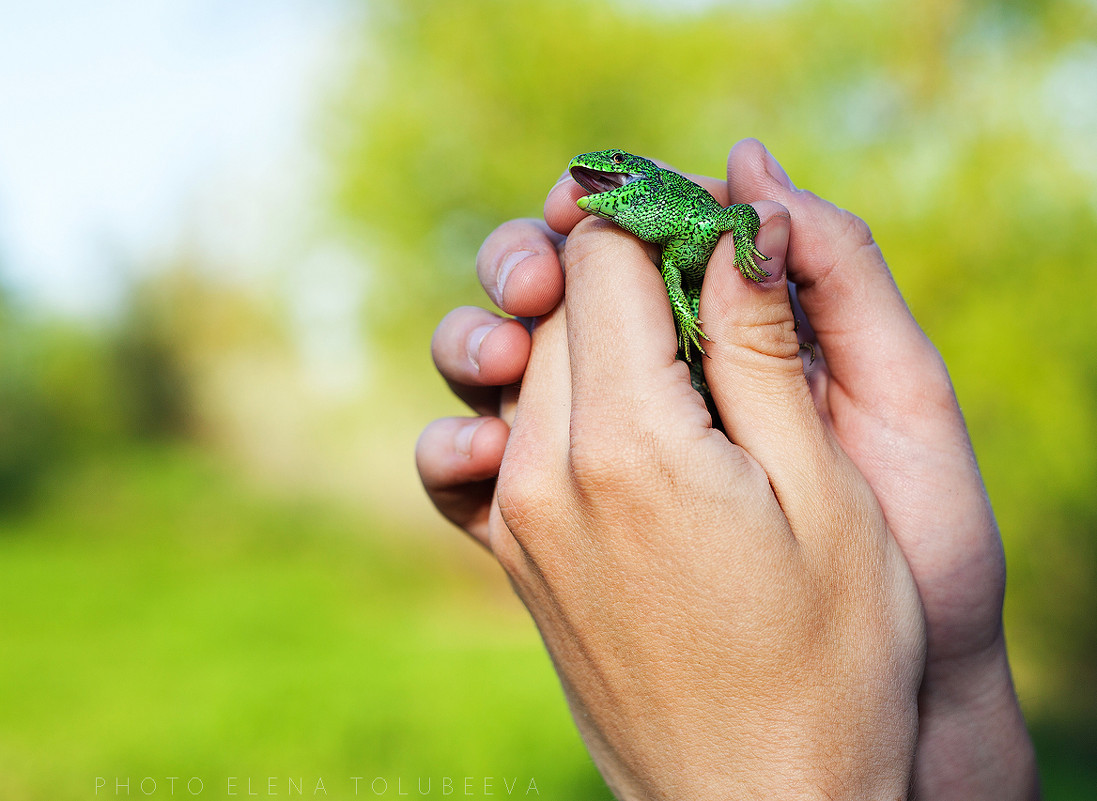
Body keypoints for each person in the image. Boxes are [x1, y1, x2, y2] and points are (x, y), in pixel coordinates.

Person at [416, 139, 1040, 800]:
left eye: (614, 174)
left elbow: (741, 221)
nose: (594, 189)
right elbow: (671, 285)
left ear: (643, 180)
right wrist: (959, 691)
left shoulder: (691, 212)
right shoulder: (643, 232)